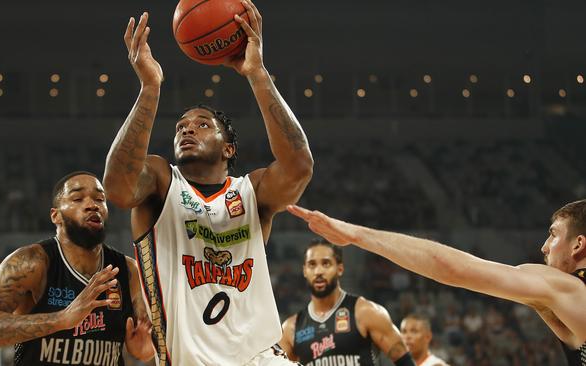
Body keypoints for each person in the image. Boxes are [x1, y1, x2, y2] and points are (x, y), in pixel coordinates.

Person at [102, 1, 313, 365]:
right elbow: (117, 188)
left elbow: (299, 166)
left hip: (260, 358)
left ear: (228, 147)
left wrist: (257, 72)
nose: (187, 129)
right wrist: (150, 88)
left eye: (201, 124)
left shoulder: (252, 192)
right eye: (181, 126)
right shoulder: (160, 181)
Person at [286, 199, 586, 366]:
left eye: (554, 234)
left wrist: (355, 235)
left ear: (578, 244)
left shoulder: (567, 288)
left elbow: (455, 268)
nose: (545, 246)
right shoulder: (561, 302)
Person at [0, 172, 155, 366]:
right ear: (56, 216)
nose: (92, 204)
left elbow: (145, 346)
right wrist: (61, 320)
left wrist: (144, 350)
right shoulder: (32, 263)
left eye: (100, 199)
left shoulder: (129, 271)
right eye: (77, 198)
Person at [278, 239, 416, 366]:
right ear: (304, 271)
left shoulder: (366, 312)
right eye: (312, 265)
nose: (318, 271)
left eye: (326, 264)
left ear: (340, 268)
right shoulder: (291, 329)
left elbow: (405, 361)